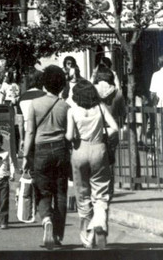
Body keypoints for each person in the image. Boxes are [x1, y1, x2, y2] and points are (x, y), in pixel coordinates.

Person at [22, 64, 70, 250]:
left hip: (40, 150)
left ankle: (47, 220)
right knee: (60, 192)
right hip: (60, 150)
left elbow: (30, 132)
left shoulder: (34, 104)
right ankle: (57, 234)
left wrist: (26, 155)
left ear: (44, 84)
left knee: (42, 190)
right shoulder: (65, 106)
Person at [67, 79, 119, 248]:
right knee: (101, 191)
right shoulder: (100, 108)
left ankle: (87, 236)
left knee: (82, 193)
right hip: (99, 149)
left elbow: (69, 136)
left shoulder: (73, 111)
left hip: (80, 150)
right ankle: (100, 222)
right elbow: (115, 128)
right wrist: (103, 136)